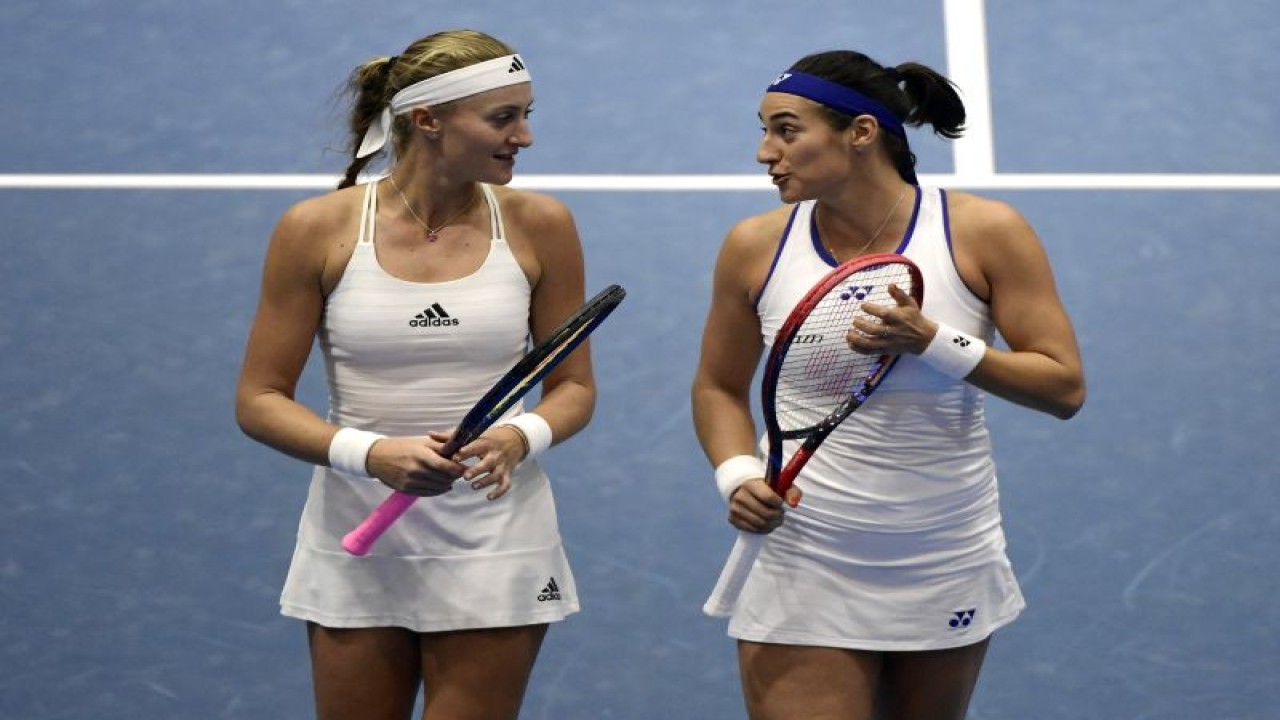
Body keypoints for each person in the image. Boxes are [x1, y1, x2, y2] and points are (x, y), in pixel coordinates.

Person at [691, 49, 1085, 720]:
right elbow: (717, 387)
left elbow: (1062, 386)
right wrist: (736, 475)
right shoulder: (754, 246)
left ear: (862, 133)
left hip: (942, 546)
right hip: (805, 547)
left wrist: (934, 341)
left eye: (786, 130)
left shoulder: (985, 233)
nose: (765, 152)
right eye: (763, 130)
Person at [235, 29, 597, 720]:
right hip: (357, 535)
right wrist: (372, 455)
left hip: (496, 535)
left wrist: (523, 436)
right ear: (427, 119)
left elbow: (574, 388)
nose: (524, 136)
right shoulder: (316, 229)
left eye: (527, 113)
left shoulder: (541, 224)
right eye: (503, 117)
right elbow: (258, 399)